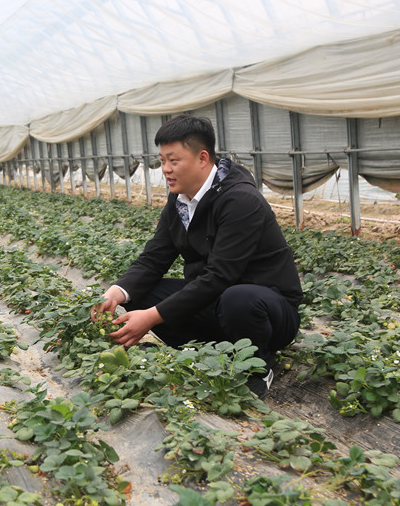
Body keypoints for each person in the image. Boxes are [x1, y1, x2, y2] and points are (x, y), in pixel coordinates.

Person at [91, 115, 302, 398]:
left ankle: (258, 366)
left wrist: (152, 318)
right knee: (140, 294)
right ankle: (211, 352)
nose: (165, 169)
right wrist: (116, 293)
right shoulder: (180, 201)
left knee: (237, 298)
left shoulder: (240, 200)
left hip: (267, 311)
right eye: (162, 161)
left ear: (203, 158)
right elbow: (154, 258)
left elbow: (220, 276)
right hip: (218, 301)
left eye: (173, 160)